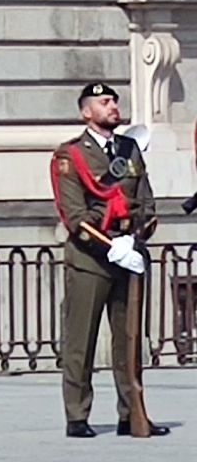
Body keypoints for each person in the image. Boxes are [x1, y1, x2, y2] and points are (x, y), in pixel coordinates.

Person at [51, 82, 165, 438]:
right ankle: (77, 415)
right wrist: (112, 247)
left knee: (129, 341)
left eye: (114, 100)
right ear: (87, 112)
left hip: (129, 254)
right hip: (91, 259)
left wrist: (136, 238)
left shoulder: (130, 149)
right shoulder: (71, 155)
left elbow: (144, 199)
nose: (113, 106)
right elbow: (75, 215)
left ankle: (132, 413)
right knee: (80, 341)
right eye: (104, 102)